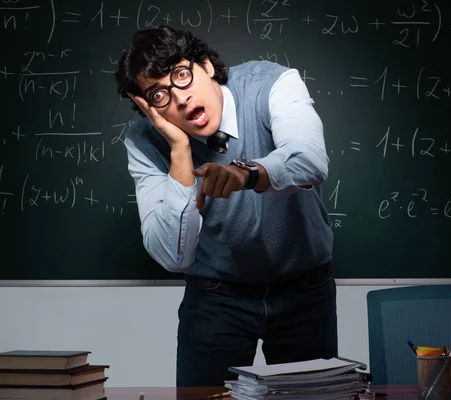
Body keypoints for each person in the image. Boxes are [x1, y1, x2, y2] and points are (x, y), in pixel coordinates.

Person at [114, 25, 337, 386]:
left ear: (206, 65)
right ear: (150, 110)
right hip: (217, 297)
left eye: (182, 76)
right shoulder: (144, 143)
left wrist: (246, 173)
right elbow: (174, 257)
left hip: (306, 289)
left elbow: (311, 160)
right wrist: (180, 153)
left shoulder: (272, 84)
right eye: (159, 95)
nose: (180, 99)